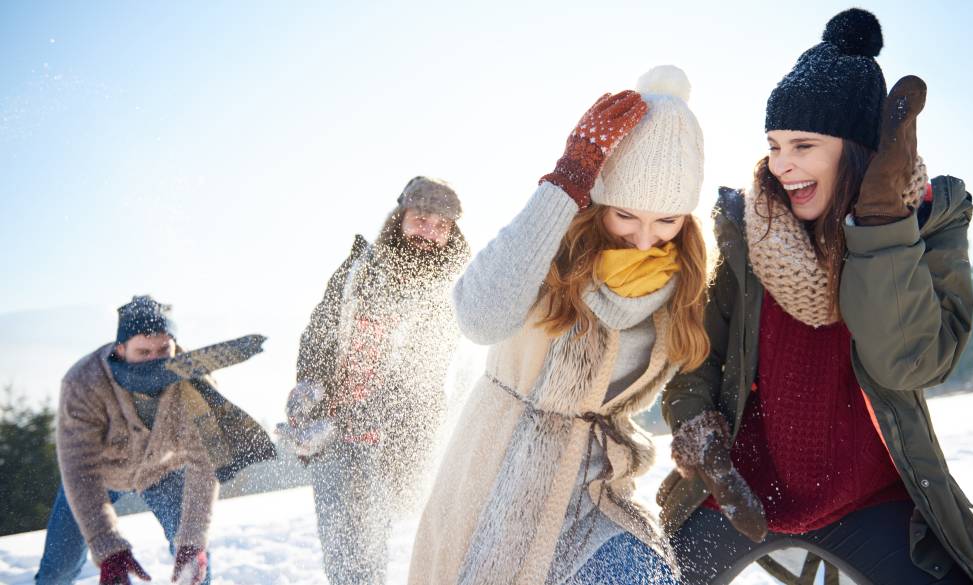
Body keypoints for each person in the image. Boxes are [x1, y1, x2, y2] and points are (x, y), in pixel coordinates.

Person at [659, 9, 973, 585]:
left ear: (857, 149)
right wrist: (706, 447)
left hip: (868, 496)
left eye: (802, 145)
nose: (781, 164)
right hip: (740, 491)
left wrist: (881, 224)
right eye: (773, 145)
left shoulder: (928, 223)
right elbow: (698, 357)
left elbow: (911, 362)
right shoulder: (748, 235)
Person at [409, 65, 708, 585]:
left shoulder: (682, 286)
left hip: (595, 496)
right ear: (597, 202)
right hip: (496, 488)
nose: (644, 240)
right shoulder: (549, 253)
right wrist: (567, 180)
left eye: (667, 220)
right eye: (626, 216)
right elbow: (477, 317)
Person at [281, 176, 470, 585]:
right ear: (400, 218)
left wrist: (364, 418)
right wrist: (308, 384)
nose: (429, 233)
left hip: (391, 444)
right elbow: (320, 330)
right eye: (421, 220)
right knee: (345, 558)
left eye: (441, 227)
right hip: (331, 434)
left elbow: (426, 376)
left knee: (367, 549)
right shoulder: (359, 269)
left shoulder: (450, 292)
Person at [35, 295, 275, 585]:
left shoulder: (196, 382)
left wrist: (193, 542)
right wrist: (107, 548)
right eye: (143, 351)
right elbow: (79, 469)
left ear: (174, 344)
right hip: (97, 477)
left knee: (195, 564)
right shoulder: (83, 382)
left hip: (162, 471)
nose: (154, 360)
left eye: (163, 349)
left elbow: (203, 462)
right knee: (57, 569)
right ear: (121, 349)